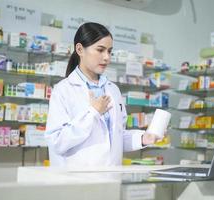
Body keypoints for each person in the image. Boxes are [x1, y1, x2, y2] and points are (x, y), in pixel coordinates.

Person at [45, 22, 158, 167]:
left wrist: (143, 138)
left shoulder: (113, 90)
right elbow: (57, 142)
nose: (106, 57)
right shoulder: (63, 90)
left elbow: (117, 136)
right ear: (80, 49)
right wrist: (92, 113)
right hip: (77, 179)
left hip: (111, 177)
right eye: (100, 50)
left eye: (109, 51)